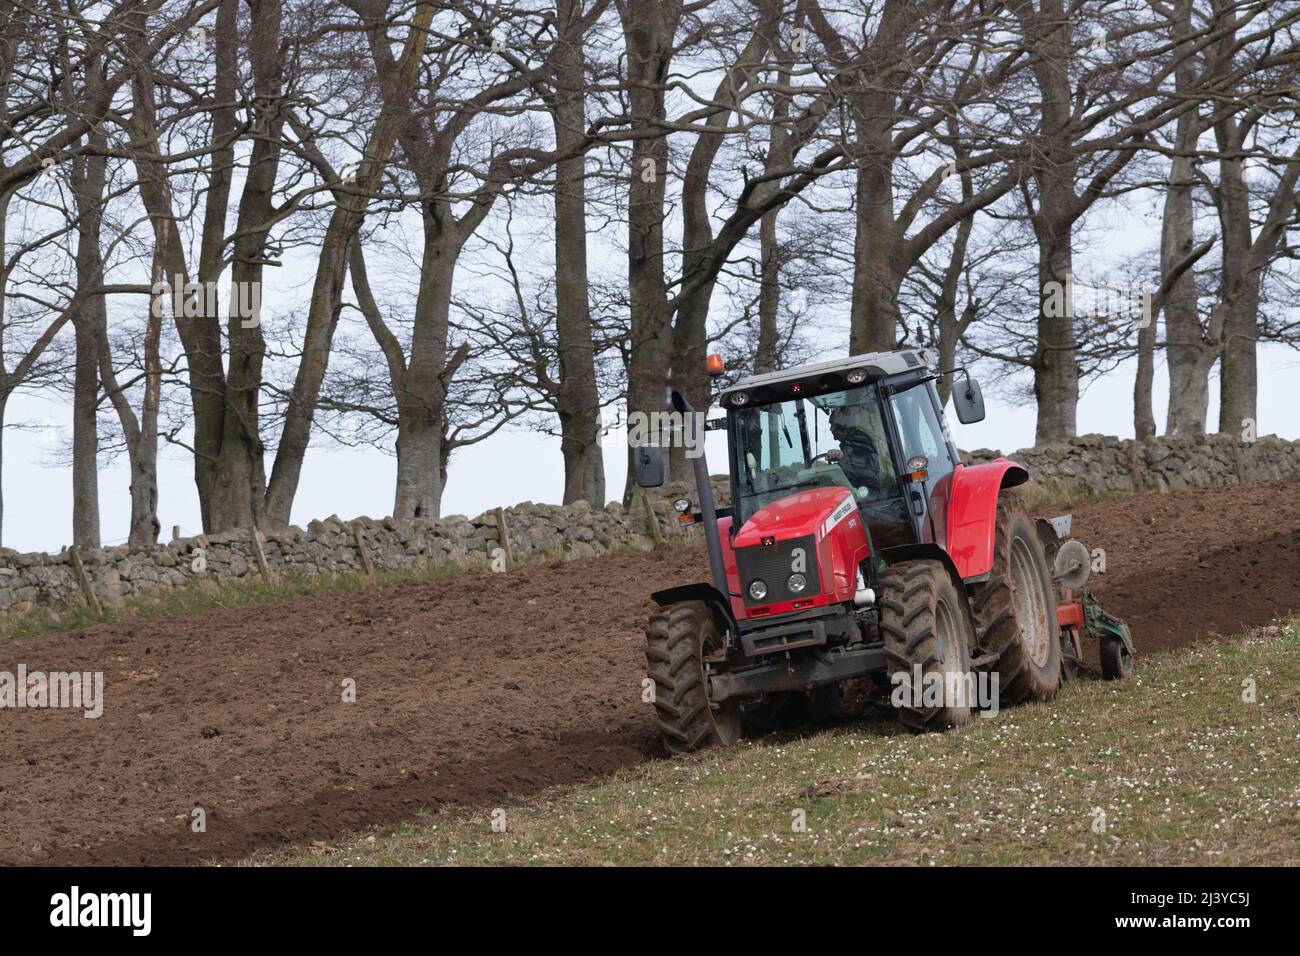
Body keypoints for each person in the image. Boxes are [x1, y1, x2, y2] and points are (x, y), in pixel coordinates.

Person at [828, 404, 884, 493]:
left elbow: (866, 471)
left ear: (843, 426)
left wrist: (842, 457)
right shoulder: (849, 442)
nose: (831, 430)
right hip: (858, 490)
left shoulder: (860, 441)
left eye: (833, 426)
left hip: (869, 493)